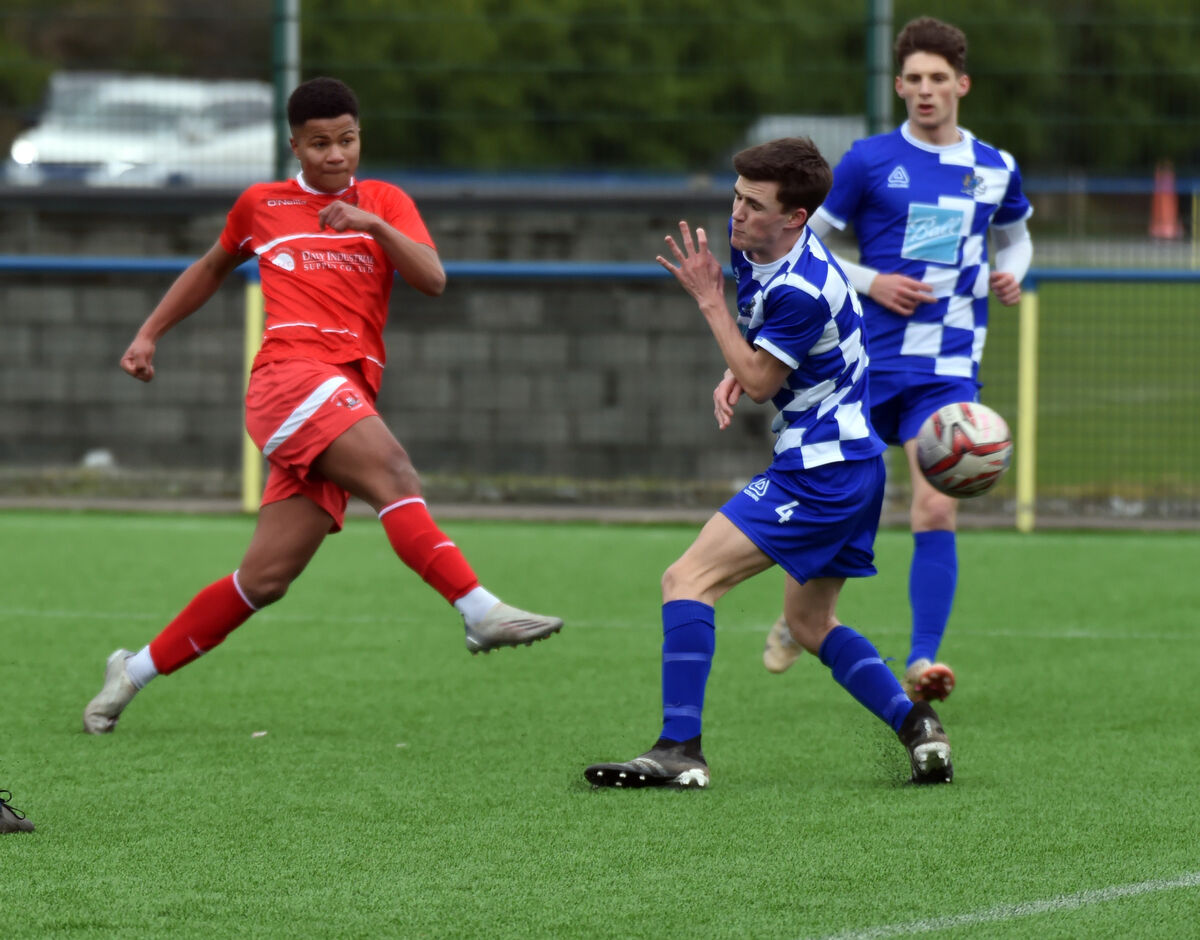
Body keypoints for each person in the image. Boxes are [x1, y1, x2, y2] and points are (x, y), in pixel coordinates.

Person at [83, 77, 562, 735]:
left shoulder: (385, 201)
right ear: (295, 146)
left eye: (347, 140)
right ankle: (478, 609)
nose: (335, 155)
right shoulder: (262, 204)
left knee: (265, 579)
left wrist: (372, 225)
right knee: (393, 472)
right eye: (319, 144)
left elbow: (433, 278)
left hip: (341, 394)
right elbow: (210, 268)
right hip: (287, 380)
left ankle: (128, 673)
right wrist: (147, 333)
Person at [584, 138, 952, 789]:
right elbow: (762, 360)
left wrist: (710, 304)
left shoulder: (805, 289)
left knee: (686, 579)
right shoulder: (756, 248)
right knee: (810, 623)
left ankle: (679, 748)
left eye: (755, 205)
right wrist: (744, 364)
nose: (737, 213)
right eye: (736, 196)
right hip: (856, 468)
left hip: (820, 472)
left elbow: (759, 380)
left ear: (797, 218)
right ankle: (915, 723)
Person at [760, 17, 1033, 702]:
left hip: (945, 367)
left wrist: (1012, 273)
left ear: (961, 84)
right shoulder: (867, 160)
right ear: (900, 85)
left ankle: (922, 661)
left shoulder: (994, 166)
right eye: (912, 78)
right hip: (858, 364)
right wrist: (872, 281)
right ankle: (801, 618)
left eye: (938, 78)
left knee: (936, 507)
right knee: (842, 508)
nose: (925, 90)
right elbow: (806, 244)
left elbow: (1017, 239)